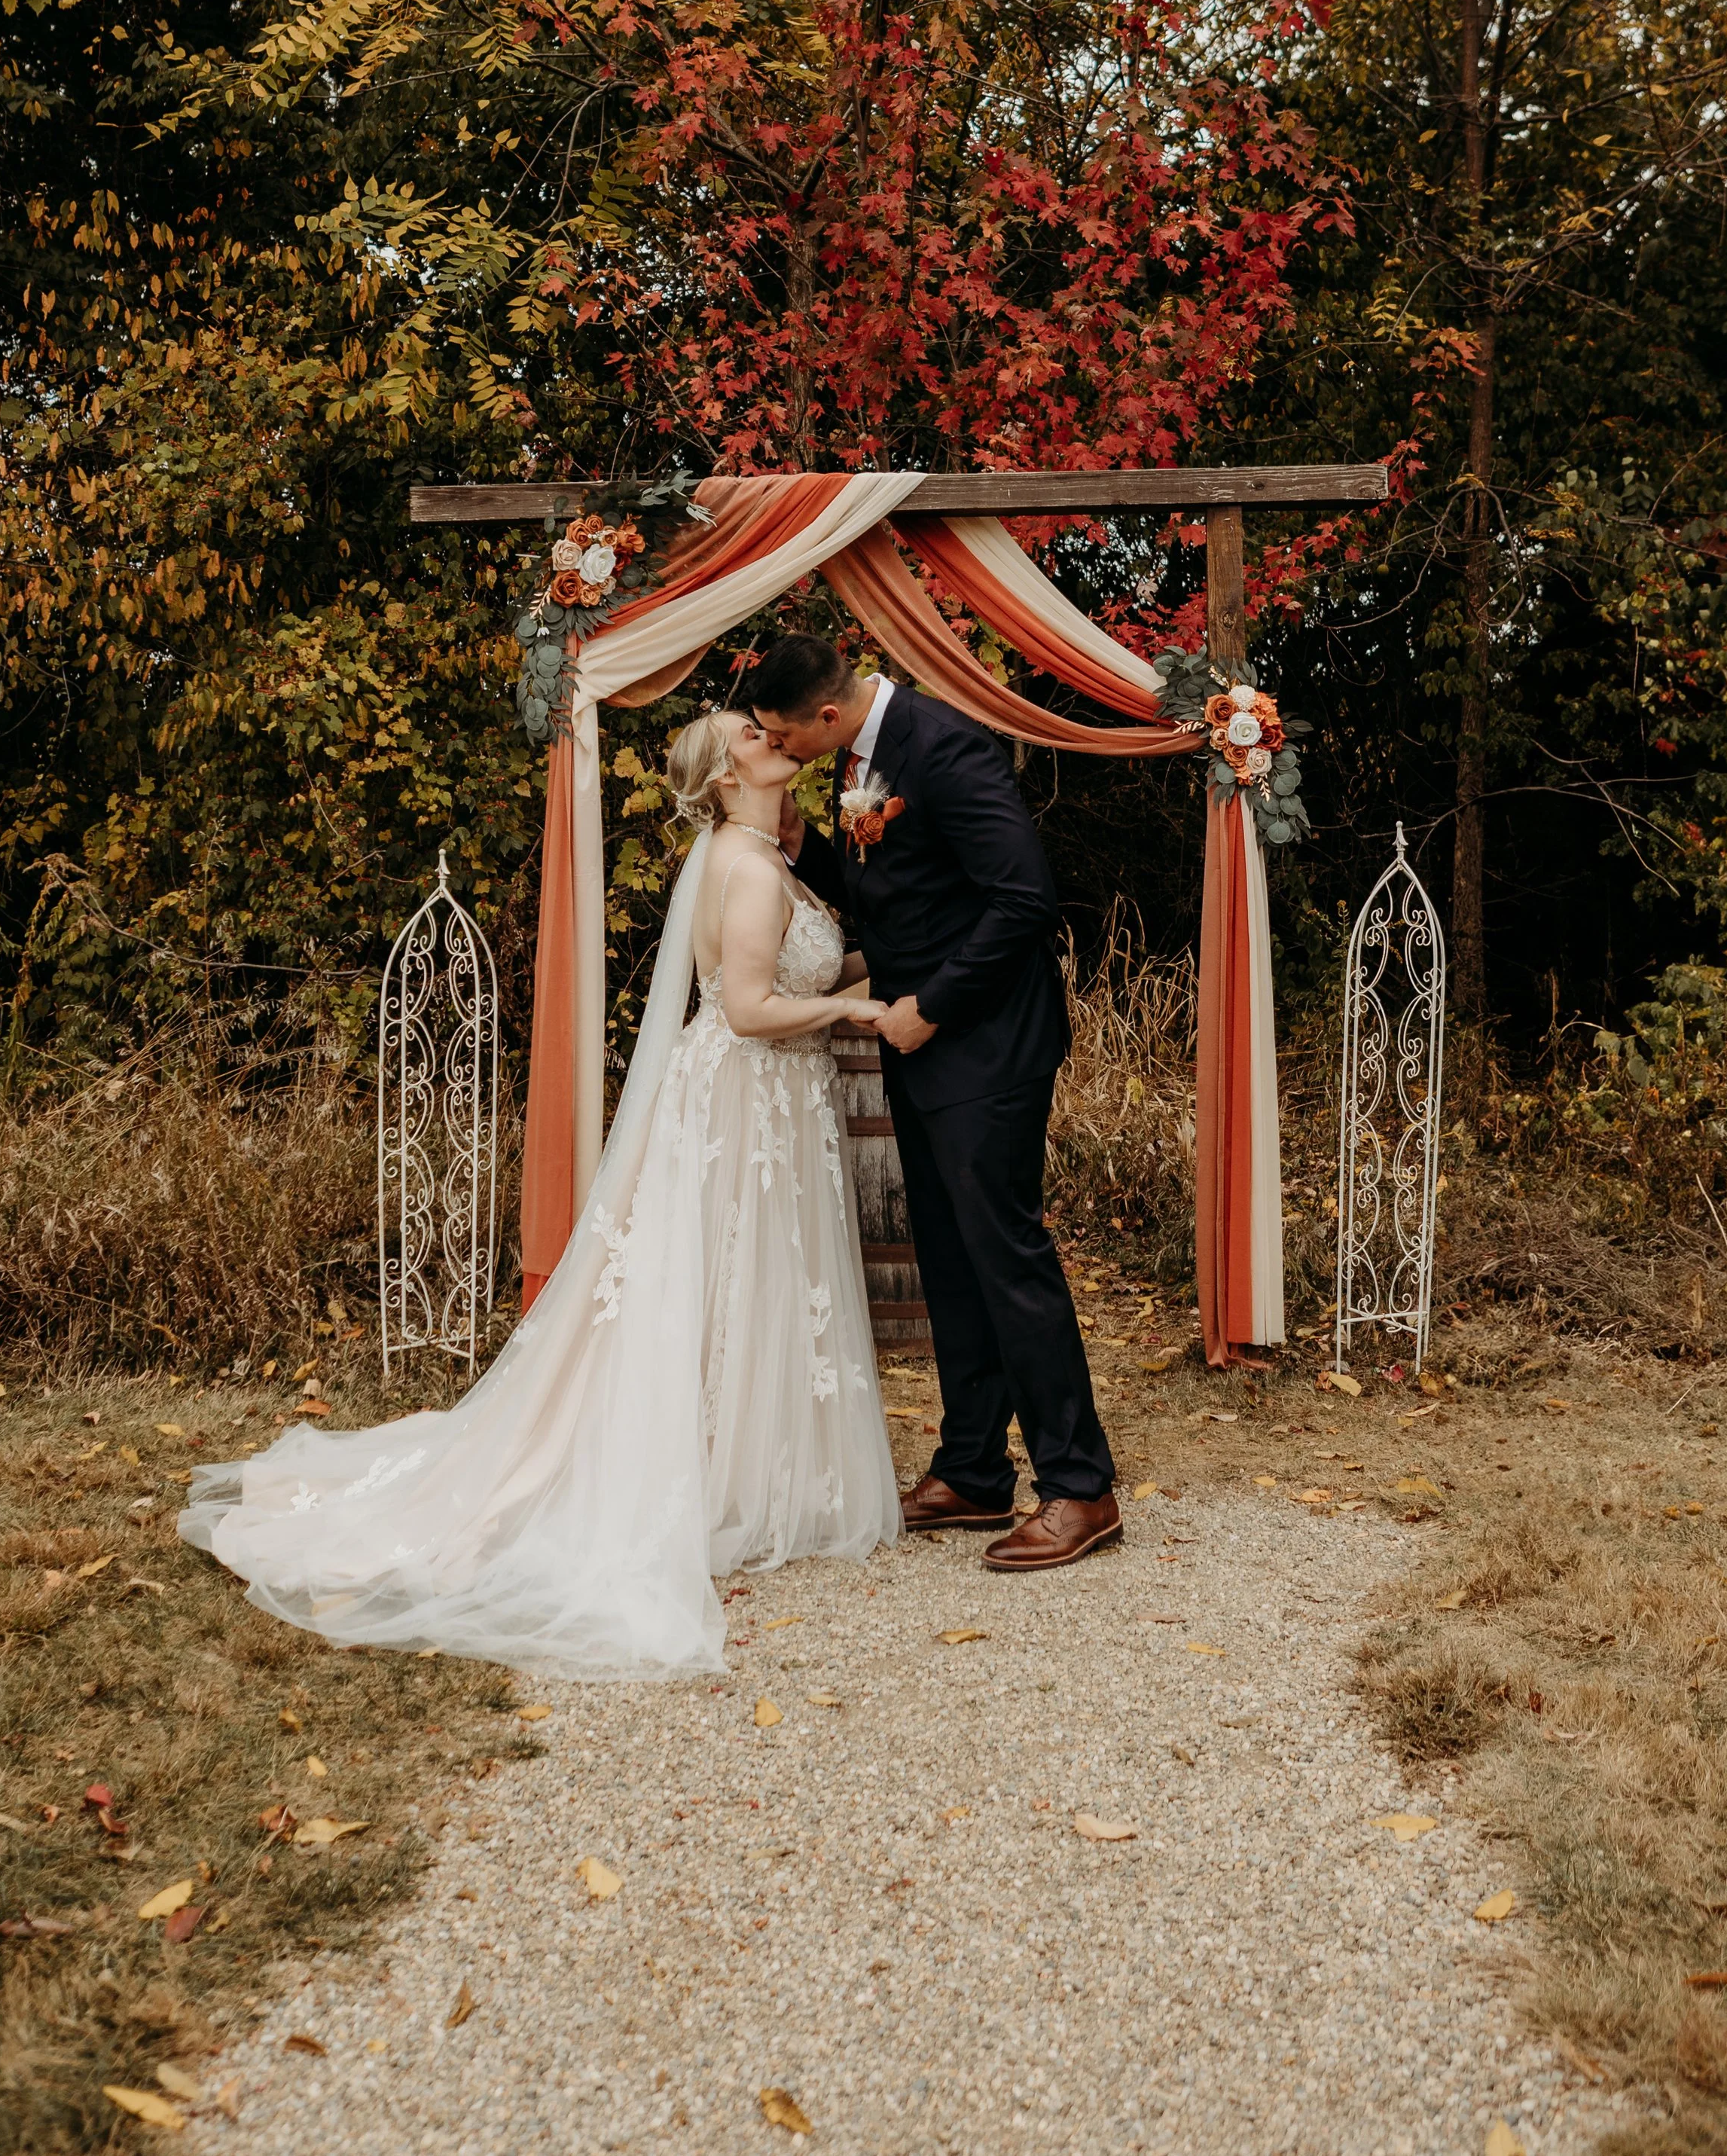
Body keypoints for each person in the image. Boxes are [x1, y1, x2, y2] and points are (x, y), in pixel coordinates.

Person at [177, 709, 901, 1675]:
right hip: (745, 1101)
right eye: (751, 734)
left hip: (764, 1103)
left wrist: (884, 961)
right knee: (726, 1278)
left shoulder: (757, 857)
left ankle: (746, 1470)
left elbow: (786, 974)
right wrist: (855, 1004)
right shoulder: (752, 866)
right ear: (728, 777)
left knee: (744, 1283)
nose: (771, 734)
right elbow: (748, 1007)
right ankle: (715, 1479)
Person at [746, 634, 1119, 1571]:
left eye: (780, 736)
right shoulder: (861, 756)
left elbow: (1022, 900)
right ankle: (974, 1469)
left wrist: (931, 1009)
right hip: (923, 1045)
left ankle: (1080, 1487)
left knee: (1005, 1252)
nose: (776, 750)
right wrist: (808, 851)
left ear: (825, 718)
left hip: (988, 1041)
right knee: (949, 1258)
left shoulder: (945, 749)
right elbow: (898, 897)